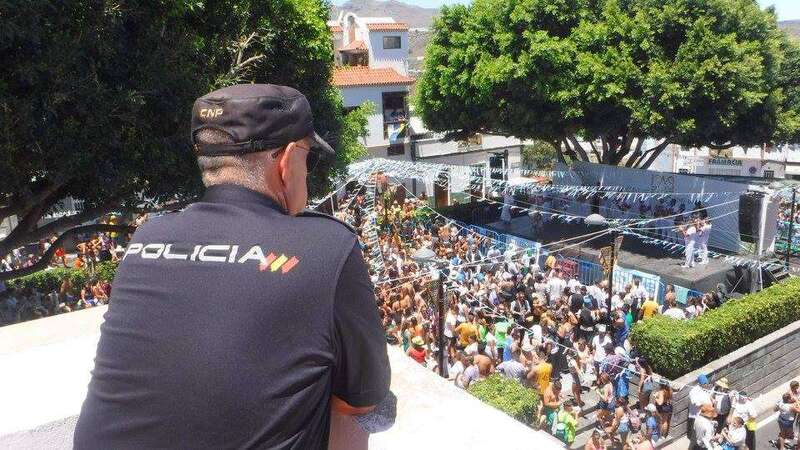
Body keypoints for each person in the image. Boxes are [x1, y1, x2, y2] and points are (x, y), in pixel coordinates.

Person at [74, 84, 391, 449]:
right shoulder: (327, 246)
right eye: (308, 158)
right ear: (287, 162)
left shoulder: (148, 236)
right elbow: (362, 400)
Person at [688, 374, 713, 443]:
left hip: (704, 414)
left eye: (707, 383)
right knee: (695, 429)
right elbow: (694, 402)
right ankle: (694, 441)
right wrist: (703, 405)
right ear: (700, 383)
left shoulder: (704, 389)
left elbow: (707, 396)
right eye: (705, 383)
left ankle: (700, 440)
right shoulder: (694, 391)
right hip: (696, 414)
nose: (707, 385)